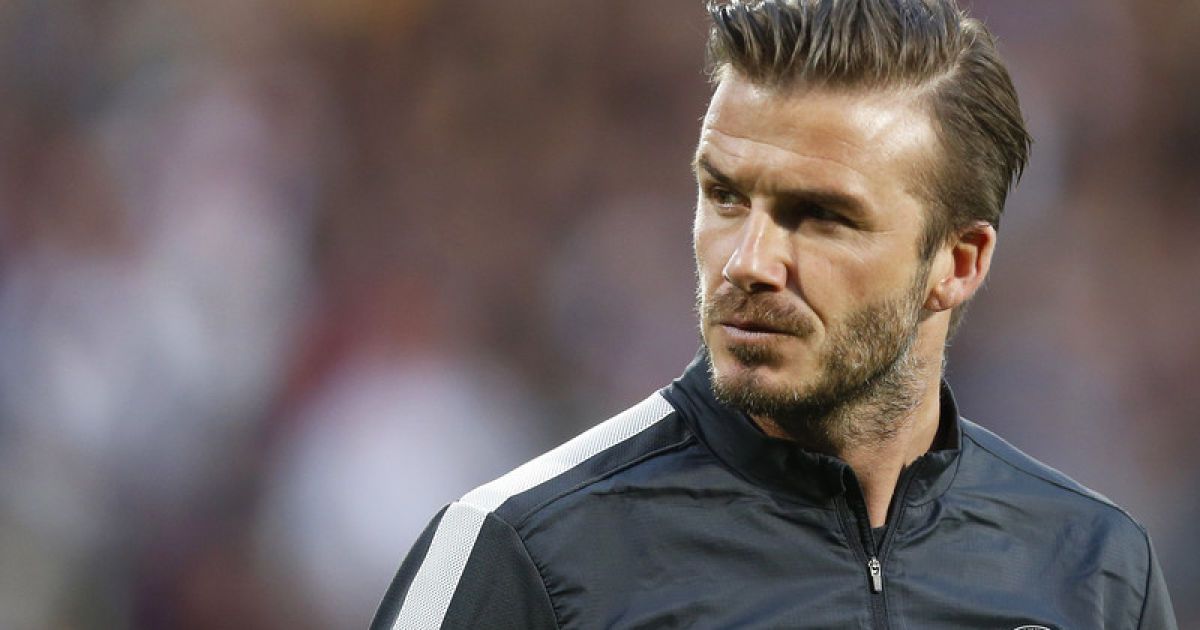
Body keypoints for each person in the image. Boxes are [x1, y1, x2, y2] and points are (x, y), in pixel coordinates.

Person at [371, 1, 1177, 628]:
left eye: (821, 216)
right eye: (724, 196)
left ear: (957, 263)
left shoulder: (1095, 570)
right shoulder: (521, 552)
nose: (748, 261)